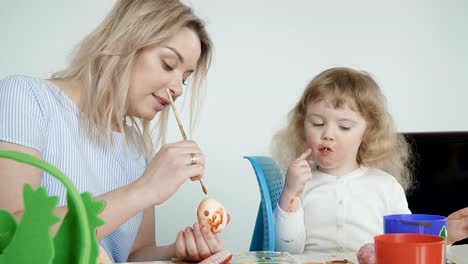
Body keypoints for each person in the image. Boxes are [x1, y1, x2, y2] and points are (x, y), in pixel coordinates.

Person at [0, 0, 225, 262]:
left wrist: (176, 252)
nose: (179, 88)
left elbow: (133, 256)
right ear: (124, 43)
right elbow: (10, 235)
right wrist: (144, 189)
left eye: (185, 78)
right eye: (167, 64)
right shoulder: (25, 98)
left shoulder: (136, 147)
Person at [271, 67, 468, 255]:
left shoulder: (385, 185)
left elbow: (407, 243)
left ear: (368, 131)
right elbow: (288, 251)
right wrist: (290, 193)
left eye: (344, 126)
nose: (327, 134)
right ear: (302, 125)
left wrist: (445, 233)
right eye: (317, 123)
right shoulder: (299, 184)